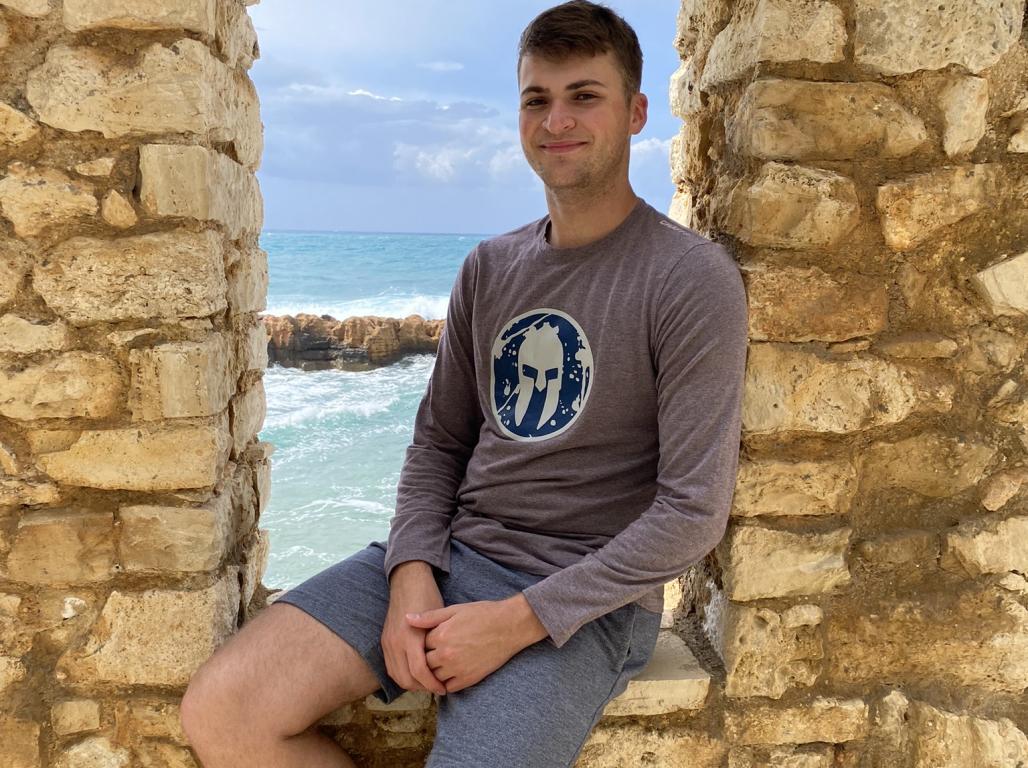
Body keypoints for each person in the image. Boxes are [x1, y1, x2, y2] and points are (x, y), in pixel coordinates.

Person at [179, 1, 749, 766]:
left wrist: (514, 621)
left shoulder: (689, 278)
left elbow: (691, 512)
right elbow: (440, 443)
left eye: (584, 96)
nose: (557, 121)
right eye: (537, 99)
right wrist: (412, 572)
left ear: (637, 113)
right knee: (224, 712)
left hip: (583, 605)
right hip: (454, 556)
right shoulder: (490, 267)